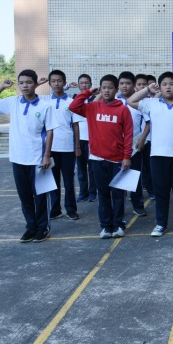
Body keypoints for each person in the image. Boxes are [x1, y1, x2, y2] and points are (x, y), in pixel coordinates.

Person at [0, 71, 58, 243]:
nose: (25, 86)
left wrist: (47, 155)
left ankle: (43, 227)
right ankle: (31, 227)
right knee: (25, 196)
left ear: (35, 84)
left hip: (37, 158)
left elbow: (50, 131)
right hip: (17, 158)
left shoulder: (45, 106)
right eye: (21, 83)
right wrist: (2, 86)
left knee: (40, 196)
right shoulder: (13, 102)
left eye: (29, 82)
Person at [128, 72, 173, 236]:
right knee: (161, 192)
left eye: (172, 84)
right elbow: (131, 100)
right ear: (159, 87)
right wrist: (148, 89)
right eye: (165, 84)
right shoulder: (151, 104)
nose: (168, 87)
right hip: (158, 156)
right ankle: (161, 224)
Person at [69, 74, 133, 239]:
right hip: (97, 159)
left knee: (118, 194)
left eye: (110, 88)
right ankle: (106, 226)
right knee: (103, 194)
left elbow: (128, 135)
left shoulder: (123, 109)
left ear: (116, 89)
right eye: (103, 87)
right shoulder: (92, 107)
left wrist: (126, 156)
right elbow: (73, 106)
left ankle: (118, 224)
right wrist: (88, 92)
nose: (106, 91)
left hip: (117, 160)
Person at [43, 70, 84, 221]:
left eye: (59, 81)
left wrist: (77, 146)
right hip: (51, 148)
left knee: (68, 181)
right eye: (53, 81)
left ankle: (71, 209)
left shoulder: (71, 102)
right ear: (49, 83)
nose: (56, 84)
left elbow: (76, 126)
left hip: (67, 147)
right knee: (53, 182)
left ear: (64, 82)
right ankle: (55, 210)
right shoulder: (45, 102)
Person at [117, 71, 149, 217]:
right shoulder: (113, 101)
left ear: (134, 85)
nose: (125, 86)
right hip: (116, 146)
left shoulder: (139, 102)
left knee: (135, 175)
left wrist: (142, 139)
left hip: (135, 145)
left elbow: (148, 123)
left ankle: (138, 204)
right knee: (117, 177)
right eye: (122, 83)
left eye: (128, 83)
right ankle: (119, 207)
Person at [72, 74, 98, 202]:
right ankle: (83, 192)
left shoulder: (96, 99)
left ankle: (93, 192)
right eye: (81, 83)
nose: (84, 85)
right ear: (78, 85)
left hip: (93, 139)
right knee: (81, 168)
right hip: (80, 139)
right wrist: (77, 145)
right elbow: (75, 124)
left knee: (92, 168)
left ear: (91, 84)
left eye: (86, 83)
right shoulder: (75, 99)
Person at [135, 73, 155, 199]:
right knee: (134, 168)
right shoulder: (128, 101)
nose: (142, 87)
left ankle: (150, 189)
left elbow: (149, 123)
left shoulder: (148, 101)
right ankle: (135, 192)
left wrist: (142, 138)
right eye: (139, 84)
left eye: (144, 84)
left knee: (147, 167)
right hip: (131, 140)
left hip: (147, 139)